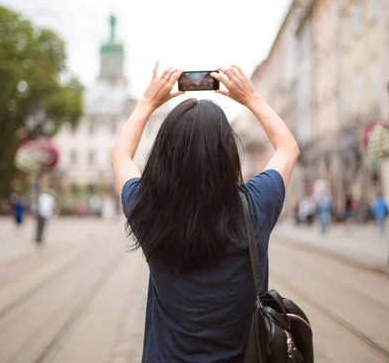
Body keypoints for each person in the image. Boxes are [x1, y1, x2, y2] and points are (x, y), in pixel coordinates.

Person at [112, 64, 299, 361]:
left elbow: (121, 155)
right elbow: (287, 149)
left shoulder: (145, 208)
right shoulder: (255, 204)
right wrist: (251, 98)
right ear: (227, 154)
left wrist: (147, 102)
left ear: (163, 154)